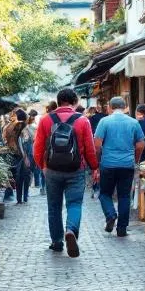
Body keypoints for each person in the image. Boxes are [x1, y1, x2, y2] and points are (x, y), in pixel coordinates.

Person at [34, 88, 99, 257]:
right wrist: (94, 167)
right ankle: (71, 230)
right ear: (75, 102)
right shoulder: (83, 121)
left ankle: (56, 242)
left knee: (54, 207)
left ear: (58, 101)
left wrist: (43, 166)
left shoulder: (46, 120)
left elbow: (38, 148)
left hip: (52, 170)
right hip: (76, 169)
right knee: (75, 204)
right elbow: (90, 149)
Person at [93, 96, 145, 237]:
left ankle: (110, 215)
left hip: (108, 164)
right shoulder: (134, 122)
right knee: (124, 196)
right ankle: (122, 229)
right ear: (125, 107)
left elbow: (97, 145)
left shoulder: (104, 122)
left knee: (104, 194)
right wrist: (135, 159)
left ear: (110, 107)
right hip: (127, 164)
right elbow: (140, 144)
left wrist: (98, 162)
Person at [3, 109, 33, 204]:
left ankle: (20, 198)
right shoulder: (23, 126)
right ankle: (24, 197)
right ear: (25, 118)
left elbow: (5, 139)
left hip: (15, 153)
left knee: (19, 177)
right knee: (25, 176)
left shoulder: (10, 126)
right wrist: (26, 157)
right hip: (23, 155)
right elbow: (22, 142)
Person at [26, 110, 44, 191]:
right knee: (37, 166)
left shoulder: (27, 125)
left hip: (29, 146)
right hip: (35, 145)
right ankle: (37, 184)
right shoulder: (35, 126)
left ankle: (29, 183)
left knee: (31, 166)